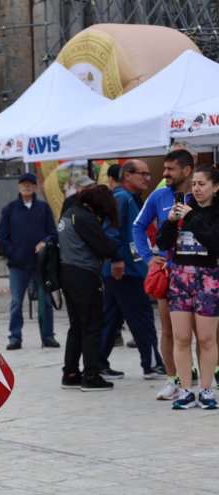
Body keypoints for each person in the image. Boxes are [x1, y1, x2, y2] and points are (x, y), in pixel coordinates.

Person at [133, 149, 195, 400]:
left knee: (207, 333)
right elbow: (138, 226)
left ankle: (207, 381)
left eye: (170, 169)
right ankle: (173, 381)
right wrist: (149, 259)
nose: (164, 173)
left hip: (202, 271)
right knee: (170, 332)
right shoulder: (159, 196)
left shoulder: (204, 194)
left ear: (187, 170)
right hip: (169, 274)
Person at [155, 164, 219, 409]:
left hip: (209, 277)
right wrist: (170, 221)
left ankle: (205, 390)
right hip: (180, 277)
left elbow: (214, 241)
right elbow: (163, 243)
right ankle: (185, 390)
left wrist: (190, 216)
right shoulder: (181, 208)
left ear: (216, 187)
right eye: (194, 183)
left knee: (206, 338)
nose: (197, 188)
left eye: (202, 184)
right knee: (181, 337)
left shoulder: (210, 212)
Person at [97, 160, 164, 381]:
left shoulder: (128, 198)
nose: (147, 178)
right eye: (142, 174)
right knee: (142, 316)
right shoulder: (122, 198)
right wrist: (116, 259)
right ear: (127, 175)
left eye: (148, 174)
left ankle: (97, 363)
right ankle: (152, 364)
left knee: (111, 318)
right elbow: (110, 229)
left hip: (123, 268)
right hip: (124, 270)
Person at [58, 185, 121, 391]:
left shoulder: (69, 213)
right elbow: (105, 247)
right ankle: (91, 375)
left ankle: (71, 373)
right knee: (92, 325)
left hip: (67, 272)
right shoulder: (85, 218)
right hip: (84, 275)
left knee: (76, 325)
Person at [0, 173, 59, 350]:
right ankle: (15, 337)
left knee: (46, 301)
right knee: (16, 302)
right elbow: (2, 238)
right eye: (23, 183)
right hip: (18, 265)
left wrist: (45, 243)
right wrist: (13, 253)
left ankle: (48, 336)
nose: (26, 186)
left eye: (30, 184)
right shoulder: (10, 209)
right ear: (18, 187)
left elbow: (53, 234)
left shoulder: (43, 208)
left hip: (41, 265)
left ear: (35, 187)